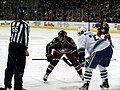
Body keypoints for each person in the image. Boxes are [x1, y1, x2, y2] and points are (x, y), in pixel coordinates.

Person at [3, 10, 30, 90]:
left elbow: (12, 35)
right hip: (20, 47)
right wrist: (25, 49)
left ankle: (7, 84)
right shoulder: (25, 24)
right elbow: (25, 37)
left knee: (10, 66)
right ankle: (18, 87)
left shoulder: (13, 23)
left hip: (11, 46)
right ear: (23, 16)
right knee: (19, 67)